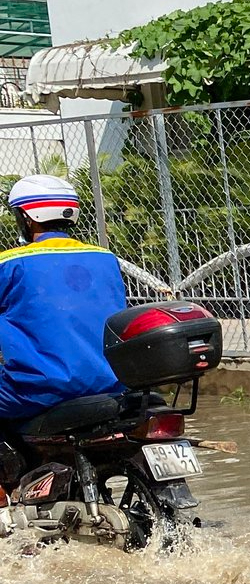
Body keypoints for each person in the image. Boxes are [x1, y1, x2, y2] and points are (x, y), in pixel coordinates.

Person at [0, 174, 128, 422]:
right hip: (112, 384)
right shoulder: (105, 258)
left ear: (27, 217)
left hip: (38, 391)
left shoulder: (9, 263)